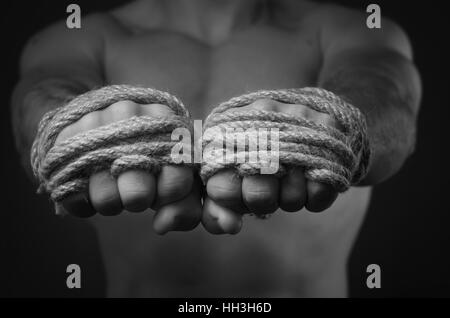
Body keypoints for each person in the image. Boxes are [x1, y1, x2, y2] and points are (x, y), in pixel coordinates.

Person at [11, 0, 421, 297]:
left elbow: (388, 106)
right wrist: (76, 132)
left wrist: (330, 133)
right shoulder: (80, 35)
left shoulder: (353, 28)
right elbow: (39, 109)